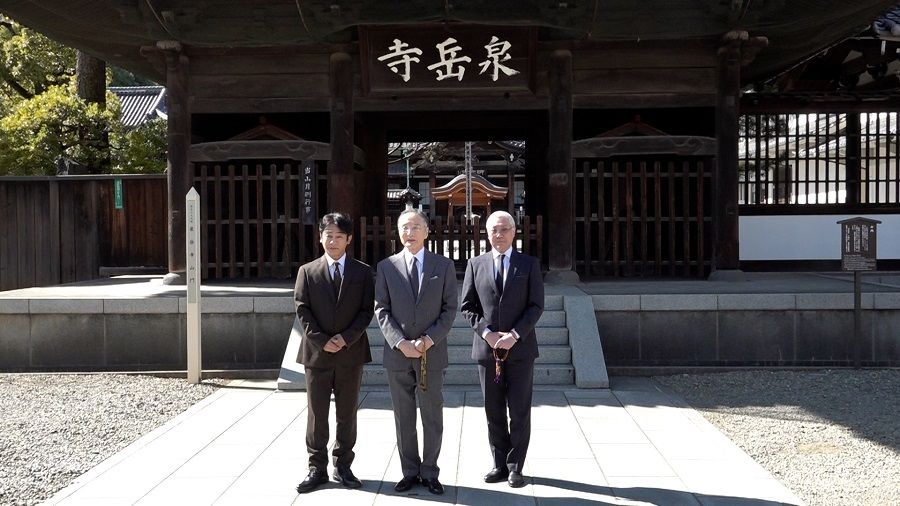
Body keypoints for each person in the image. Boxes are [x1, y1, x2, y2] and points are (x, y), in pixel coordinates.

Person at [374, 209, 458, 495]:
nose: (408, 233)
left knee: (432, 414)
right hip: (398, 354)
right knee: (403, 415)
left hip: (430, 354)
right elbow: (381, 309)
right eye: (403, 228)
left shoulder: (443, 266)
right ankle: (409, 471)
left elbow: (449, 310)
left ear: (426, 231)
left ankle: (430, 471)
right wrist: (400, 342)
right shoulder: (386, 266)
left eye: (414, 227)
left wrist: (428, 340)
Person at [460, 210, 544, 488]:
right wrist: (487, 333)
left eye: (504, 229)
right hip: (487, 352)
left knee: (519, 410)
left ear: (514, 231)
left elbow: (536, 306)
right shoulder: (476, 264)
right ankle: (498, 463)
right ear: (487, 233)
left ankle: (515, 466)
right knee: (492, 409)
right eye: (494, 230)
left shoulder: (528, 264)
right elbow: (467, 306)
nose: (499, 234)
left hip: (520, 351)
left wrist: (515, 335)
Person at [293, 213, 374, 494]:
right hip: (317, 354)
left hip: (350, 352)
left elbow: (366, 311)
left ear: (349, 239)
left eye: (339, 236)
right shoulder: (308, 271)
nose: (333, 241)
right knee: (317, 412)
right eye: (328, 235)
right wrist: (320, 340)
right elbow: (302, 309)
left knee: (347, 411)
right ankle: (316, 467)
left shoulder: (362, 272)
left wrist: (346, 338)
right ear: (320, 237)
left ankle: (343, 465)